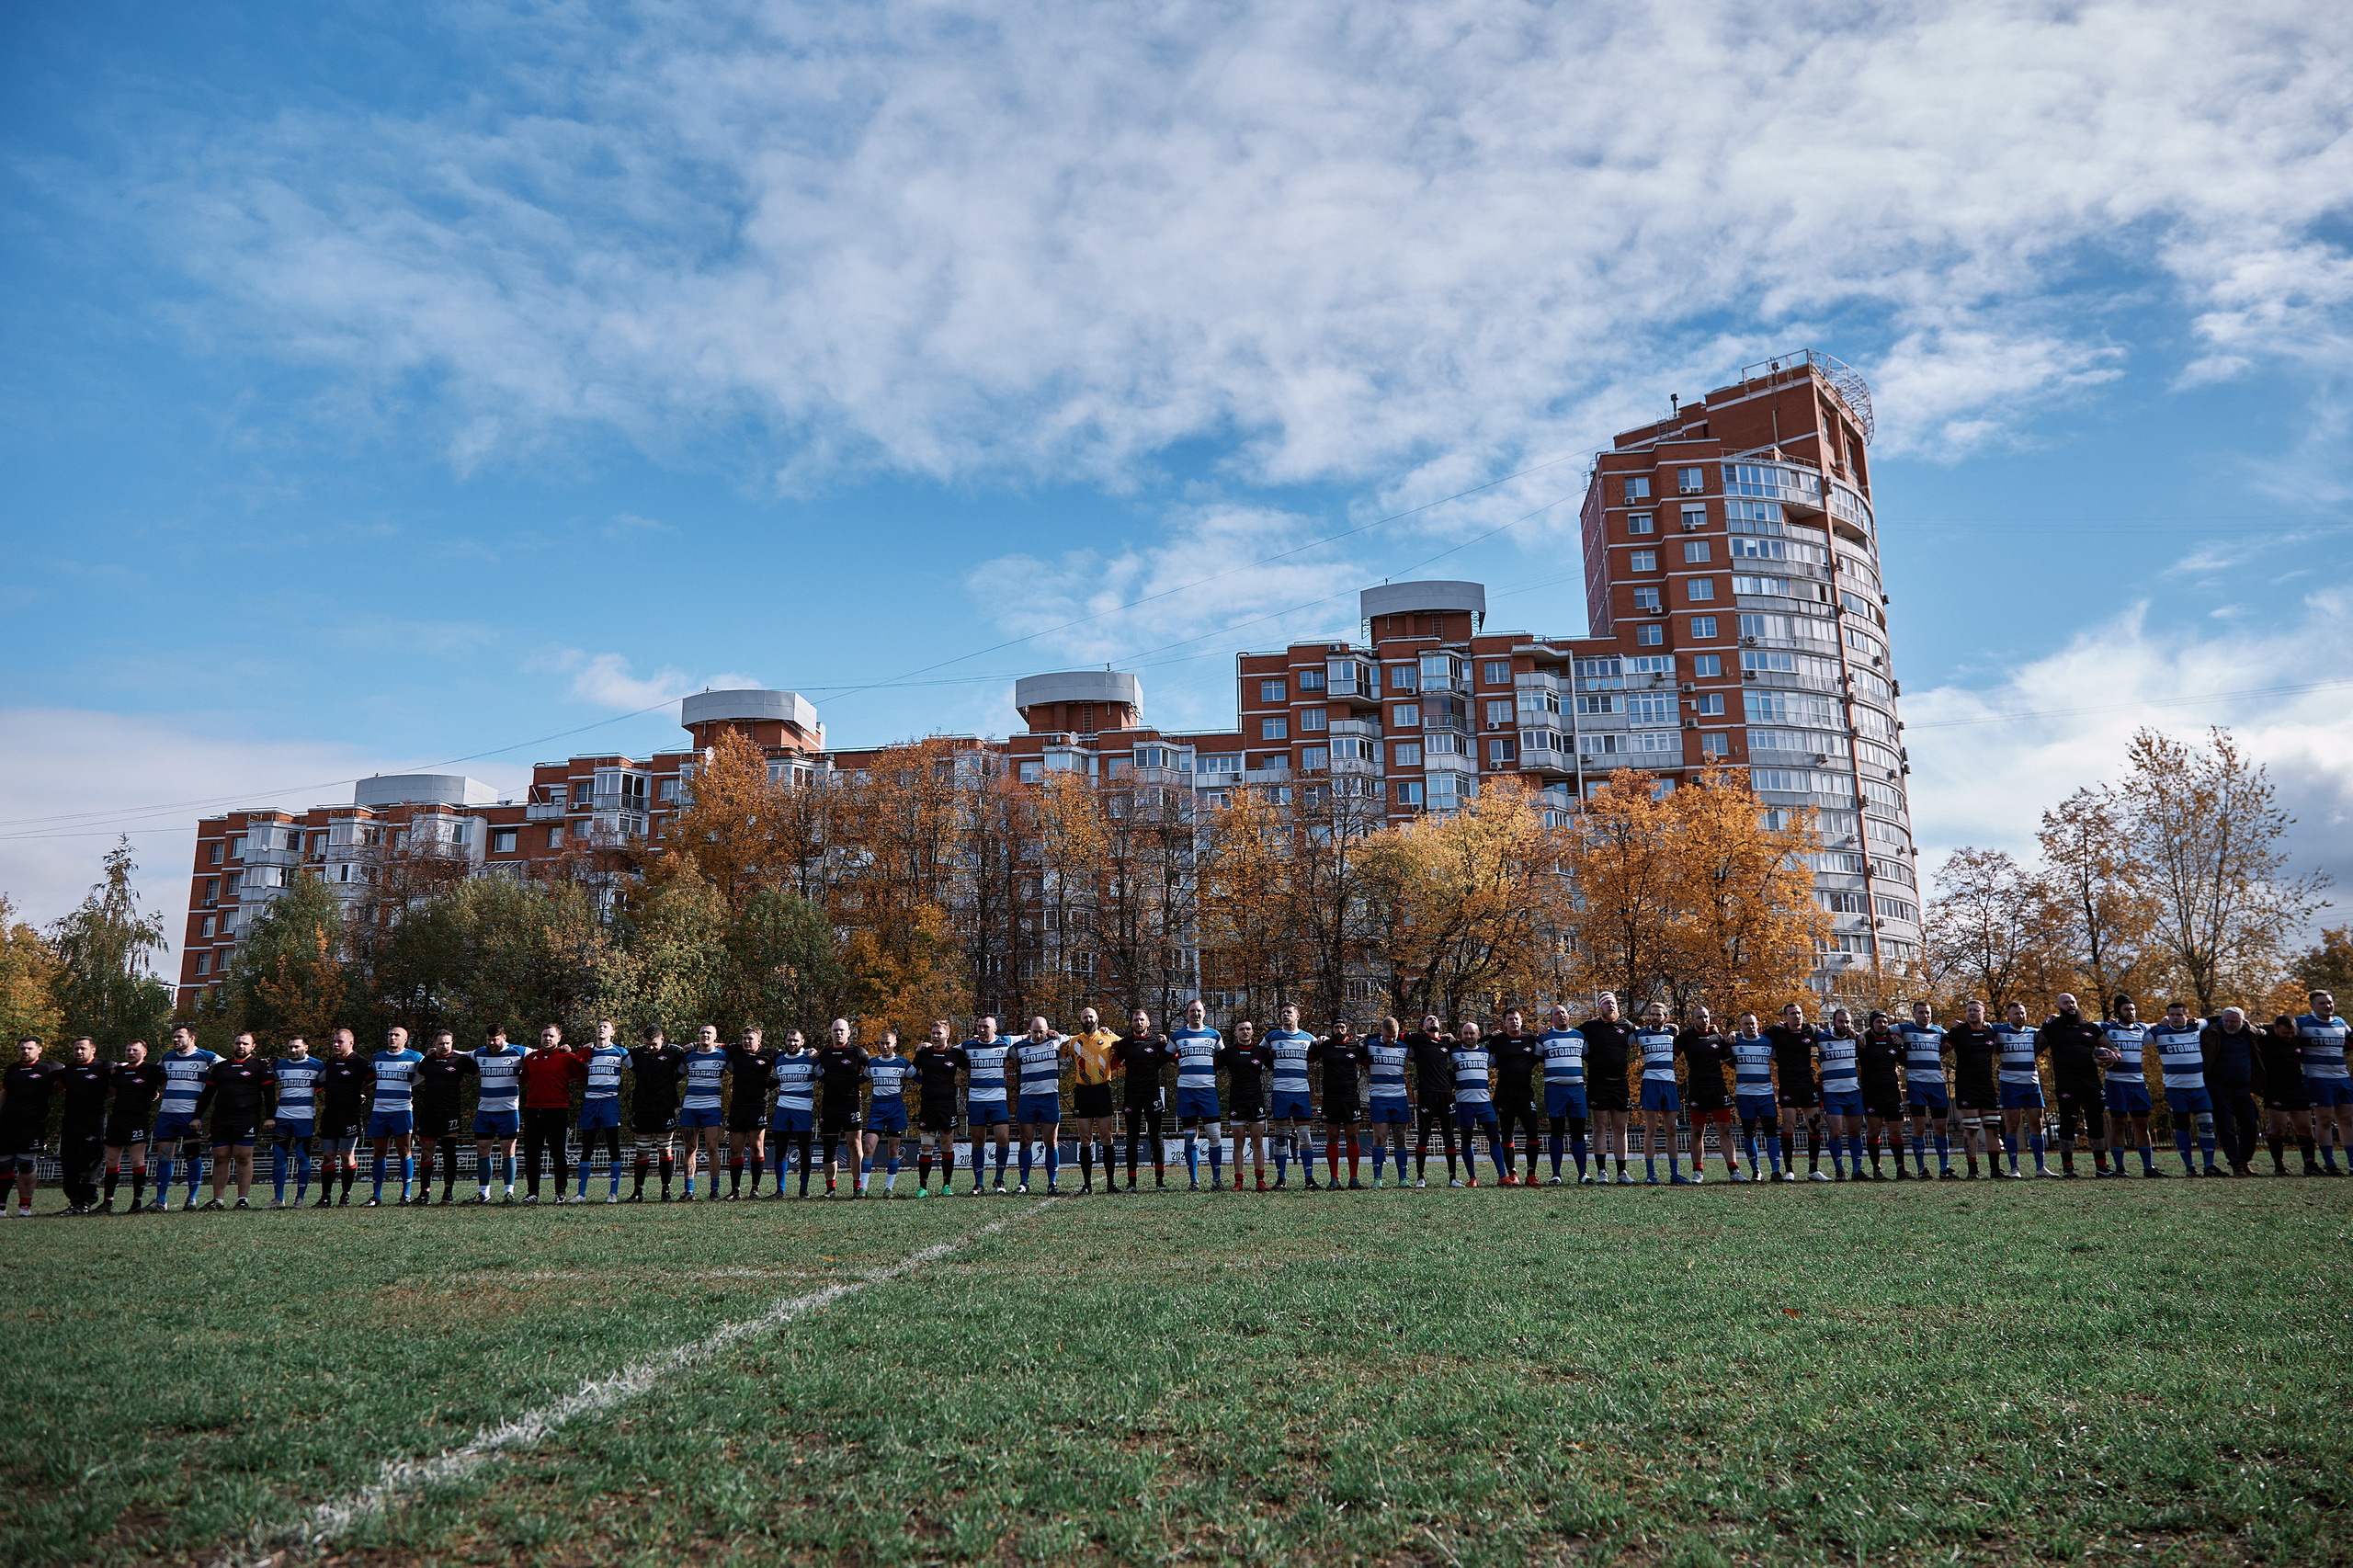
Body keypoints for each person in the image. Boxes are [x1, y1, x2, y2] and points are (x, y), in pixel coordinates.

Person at [2040, 994, 2112, 1178]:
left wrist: (2113, 1056)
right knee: (2067, 1124)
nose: (2070, 1005)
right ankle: (2068, 1167)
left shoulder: (2091, 1027)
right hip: (2067, 1083)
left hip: (2091, 1082)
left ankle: (2101, 1167)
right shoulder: (2052, 1027)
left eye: (2073, 1002)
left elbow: (2113, 1049)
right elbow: (2034, 1048)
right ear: (2058, 1007)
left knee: (2096, 1123)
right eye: (2065, 1002)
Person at [201, 1033, 276, 1210]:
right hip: (221, 1118)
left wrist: (270, 1116)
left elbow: (270, 1094)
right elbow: (207, 1094)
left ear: (253, 1046)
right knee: (220, 1157)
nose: (241, 1046)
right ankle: (218, 1201)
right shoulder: (221, 1067)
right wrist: (197, 1116)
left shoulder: (259, 1066)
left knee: (243, 1157)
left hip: (247, 1117)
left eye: (245, 1043)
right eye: (237, 1043)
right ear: (232, 1045)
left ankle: (243, 1199)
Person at [149, 1025, 220, 1210]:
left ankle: (192, 1199)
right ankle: (161, 1201)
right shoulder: (167, 1057)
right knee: (164, 1157)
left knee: (192, 1156)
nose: (175, 1040)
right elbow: (154, 1075)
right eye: (174, 1036)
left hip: (190, 1115)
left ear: (192, 1038)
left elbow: (229, 1067)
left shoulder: (206, 1056)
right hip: (166, 1114)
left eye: (179, 1036)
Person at [517, 1024, 585, 1204]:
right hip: (533, 1111)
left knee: (559, 1155)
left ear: (559, 1038)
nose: (547, 1038)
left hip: (558, 1111)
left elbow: (584, 1075)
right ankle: (532, 1193)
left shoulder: (567, 1057)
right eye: (544, 1035)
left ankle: (560, 1194)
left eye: (551, 1036)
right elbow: (520, 1081)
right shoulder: (532, 1058)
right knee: (532, 1155)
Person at [2149, 1000, 2218, 1176]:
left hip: (2199, 1088)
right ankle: (2190, 1167)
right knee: (2183, 1127)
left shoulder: (2195, 1027)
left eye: (2179, 1014)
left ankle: (2209, 1166)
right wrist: (2157, 1023)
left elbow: (2213, 1019)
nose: (2175, 1018)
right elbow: (2138, 1037)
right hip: (2176, 1089)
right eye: (2172, 1015)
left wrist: (2198, 1020)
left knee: (2207, 1126)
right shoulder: (2159, 1032)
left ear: (2186, 1016)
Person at [1, 1038, 66, 1217]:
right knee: (4, 1166)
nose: (25, 1051)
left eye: (29, 1048)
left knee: (26, 1164)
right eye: (22, 1048)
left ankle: (24, 1207)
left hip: (33, 1124)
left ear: (40, 1050)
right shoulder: (12, 1069)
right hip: (8, 1124)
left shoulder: (51, 1067)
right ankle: (1, 1207)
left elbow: (63, 1084)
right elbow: (4, 1092)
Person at [412, 1030, 477, 1206]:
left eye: (448, 1043)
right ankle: (424, 1193)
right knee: (426, 1153)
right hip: (429, 1113)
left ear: (453, 1043)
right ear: (435, 1044)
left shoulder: (461, 1060)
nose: (445, 1046)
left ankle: (448, 1192)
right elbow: (415, 1076)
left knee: (449, 1153)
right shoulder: (428, 1061)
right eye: (441, 1043)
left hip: (450, 1112)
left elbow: (481, 1073)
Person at [2196, 1006, 2261, 1177]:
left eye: (2234, 1021)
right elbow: (2204, 1022)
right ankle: (2236, 1163)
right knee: (2226, 1127)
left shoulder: (2250, 1033)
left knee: (2250, 1125)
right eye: (2227, 1021)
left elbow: (2268, 1027)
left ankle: (2244, 1159)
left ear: (2243, 1022)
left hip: (2243, 1088)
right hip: (2218, 1087)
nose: (2230, 1024)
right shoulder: (2212, 1032)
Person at [363, 1026, 425, 1207]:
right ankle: (377, 1195)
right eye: (390, 1034)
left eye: (397, 1035)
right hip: (379, 1110)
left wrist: (408, 1087)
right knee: (379, 1152)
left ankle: (405, 1195)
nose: (392, 1038)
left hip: (402, 1110)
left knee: (403, 1150)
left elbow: (423, 1074)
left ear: (405, 1039)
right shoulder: (378, 1057)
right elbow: (371, 1079)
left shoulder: (415, 1057)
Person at [100, 1039, 164, 1213]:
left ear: (144, 1053)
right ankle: (108, 1203)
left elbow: (166, 1086)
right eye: (128, 1050)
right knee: (111, 1161)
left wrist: (156, 1095)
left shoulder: (152, 1070)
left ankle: (136, 1202)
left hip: (138, 1120)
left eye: (135, 1050)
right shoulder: (118, 1072)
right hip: (117, 1119)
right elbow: (109, 1091)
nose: (130, 1053)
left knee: (137, 1160)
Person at [1765, 1003, 1825, 1182]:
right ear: (1785, 1017)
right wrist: (1733, 1034)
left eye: (1799, 1013)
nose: (1797, 1016)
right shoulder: (1776, 1032)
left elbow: (1828, 1035)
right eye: (1792, 1013)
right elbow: (1752, 1035)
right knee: (1789, 1124)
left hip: (1807, 1082)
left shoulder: (1810, 1030)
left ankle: (1813, 1170)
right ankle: (1789, 1170)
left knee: (1815, 1125)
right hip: (1788, 1084)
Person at [1579, 994, 1637, 1185]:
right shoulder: (1590, 1027)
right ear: (1600, 1008)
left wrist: (1671, 1028)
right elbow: (1568, 1034)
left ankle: (1622, 1172)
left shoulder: (1627, 1026)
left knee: (1620, 1128)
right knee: (1600, 1127)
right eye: (1606, 1003)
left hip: (1620, 1083)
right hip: (1598, 1083)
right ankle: (1602, 1171)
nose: (1611, 1005)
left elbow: (1648, 1033)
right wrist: (1546, 1030)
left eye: (1613, 1002)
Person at [1677, 1006, 1737, 1182]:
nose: (1704, 1020)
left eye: (1706, 1017)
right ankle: (1698, 1171)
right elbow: (1669, 1054)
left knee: (1725, 1130)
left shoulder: (1717, 1038)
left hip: (1718, 1088)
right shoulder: (1685, 1038)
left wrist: (1735, 1035)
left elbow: (1732, 1062)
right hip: (1697, 1089)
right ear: (1693, 1019)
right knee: (1697, 1131)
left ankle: (1734, 1170)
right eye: (1700, 1017)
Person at [1170, 999, 1225, 1191]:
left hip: (1208, 1092)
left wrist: (1210, 1070)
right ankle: (1194, 1181)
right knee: (1189, 1137)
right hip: (1186, 1092)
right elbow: (1168, 1056)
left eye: (1199, 1011)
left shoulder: (1214, 1035)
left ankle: (1216, 1180)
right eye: (1192, 1011)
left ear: (1204, 1013)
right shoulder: (1177, 1036)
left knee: (1214, 1136)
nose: (1196, 1014)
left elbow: (1223, 1058)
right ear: (1187, 1014)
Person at [55, 1039, 116, 1214]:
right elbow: (57, 1088)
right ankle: (74, 1201)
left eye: (83, 1048)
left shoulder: (104, 1067)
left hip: (94, 1120)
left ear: (93, 1049)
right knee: (69, 1159)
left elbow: (116, 1087)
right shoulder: (67, 1070)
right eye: (76, 1049)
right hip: (71, 1120)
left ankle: (87, 1201)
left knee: (90, 1159)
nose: (79, 1052)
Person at [1010, 1017, 1069, 1195]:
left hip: (1049, 1098)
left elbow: (1076, 1038)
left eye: (1041, 1032)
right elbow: (999, 1048)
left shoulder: (1056, 1041)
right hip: (1028, 1098)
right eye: (1034, 1032)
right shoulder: (1020, 1047)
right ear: (1030, 1031)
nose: (1037, 1036)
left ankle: (1052, 1183)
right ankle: (1023, 1183)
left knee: (1051, 1142)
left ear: (1047, 1030)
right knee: (1025, 1141)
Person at [2099, 996, 2157, 1177]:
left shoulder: (2140, 1028)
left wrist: (2163, 1022)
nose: (2131, 1012)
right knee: (2118, 1124)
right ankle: (2120, 1168)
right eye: (2126, 1009)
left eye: (2132, 1009)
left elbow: (2156, 1024)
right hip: (2116, 1083)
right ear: (2117, 1013)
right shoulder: (2107, 1028)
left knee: (2142, 1125)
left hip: (2138, 1083)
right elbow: (2084, 1025)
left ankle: (2148, 1167)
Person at [625, 1025, 685, 1201]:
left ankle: (665, 1191)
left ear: (662, 1040)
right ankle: (638, 1192)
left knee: (665, 1150)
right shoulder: (637, 1053)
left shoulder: (674, 1052)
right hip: (642, 1108)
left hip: (665, 1108)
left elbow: (695, 1051)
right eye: (647, 1044)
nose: (650, 1047)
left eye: (654, 1044)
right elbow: (615, 1052)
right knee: (641, 1151)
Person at [574, 1020, 631, 1203]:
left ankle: (613, 1193)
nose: (601, 1029)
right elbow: (578, 1066)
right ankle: (581, 1193)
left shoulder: (620, 1052)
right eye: (599, 1026)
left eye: (606, 1026)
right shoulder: (588, 1052)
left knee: (613, 1145)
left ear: (613, 1032)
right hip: (590, 1101)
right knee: (587, 1147)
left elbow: (636, 1066)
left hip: (610, 1101)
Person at [1264, 1005, 1319, 1189]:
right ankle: (1281, 1179)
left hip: (1301, 1093)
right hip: (1281, 1094)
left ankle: (1309, 1179)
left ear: (1297, 1016)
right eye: (1283, 1012)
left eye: (1289, 1012)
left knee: (1305, 1137)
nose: (1285, 1015)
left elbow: (1317, 1054)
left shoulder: (1308, 1038)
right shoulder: (1271, 1037)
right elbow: (1261, 1054)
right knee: (1280, 1137)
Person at [1115, 1010, 1171, 1192]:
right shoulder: (1125, 1044)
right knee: (1132, 1138)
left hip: (1152, 1095)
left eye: (1142, 1020)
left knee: (1156, 1137)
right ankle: (1132, 1183)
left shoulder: (1157, 1042)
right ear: (1131, 1023)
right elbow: (1112, 1063)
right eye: (1135, 1020)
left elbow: (1172, 1057)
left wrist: (1168, 1042)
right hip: (1132, 1095)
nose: (1138, 1022)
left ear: (1148, 1023)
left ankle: (1160, 1182)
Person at [1944, 1002, 2002, 1179]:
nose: (1972, 1013)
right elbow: (1939, 1047)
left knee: (1993, 1129)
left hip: (1986, 1086)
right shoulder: (1957, 1032)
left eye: (1976, 1010)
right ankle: (1973, 1171)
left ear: (1983, 1013)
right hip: (1966, 1086)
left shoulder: (1992, 1030)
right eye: (1969, 1010)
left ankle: (1995, 1170)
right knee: (1971, 1129)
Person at [1898, 1002, 1956, 1180]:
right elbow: (1879, 1029)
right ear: (1914, 1014)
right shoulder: (1904, 1029)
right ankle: (1921, 1169)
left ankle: (1944, 1168)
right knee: (1919, 1127)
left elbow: (1953, 1040)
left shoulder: (1939, 1031)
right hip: (1916, 1085)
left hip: (1937, 1084)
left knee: (1941, 1127)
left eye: (1927, 1012)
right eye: (1921, 1012)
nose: (1925, 1015)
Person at [1993, 1002, 2051, 1178]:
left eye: (2023, 1013)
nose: (2020, 1016)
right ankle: (2014, 1169)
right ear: (2008, 1016)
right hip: (2010, 1085)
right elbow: (1981, 1028)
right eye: (2016, 1013)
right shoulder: (2000, 1030)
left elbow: (2049, 1034)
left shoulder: (2033, 1032)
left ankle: (2041, 1168)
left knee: (2037, 1125)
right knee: (2012, 1125)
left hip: (2032, 1084)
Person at [1068, 1008, 1122, 1195]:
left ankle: (1110, 1184)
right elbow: (1057, 1047)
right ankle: (1087, 1185)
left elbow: (1126, 1046)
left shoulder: (1108, 1037)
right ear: (1080, 1020)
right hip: (1082, 1092)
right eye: (1085, 1017)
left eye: (1091, 1016)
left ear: (1097, 1019)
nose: (1088, 1020)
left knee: (1107, 1138)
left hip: (1102, 1090)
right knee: (1085, 1139)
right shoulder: (1075, 1041)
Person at [472, 1025, 529, 1203]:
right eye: (488, 1039)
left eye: (495, 1040)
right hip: (485, 1111)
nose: (491, 1043)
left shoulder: (519, 1051)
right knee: (482, 1150)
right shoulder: (479, 1053)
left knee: (508, 1151)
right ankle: (484, 1193)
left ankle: (509, 1192)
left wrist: (564, 1049)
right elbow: (456, 1054)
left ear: (504, 1037)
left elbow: (543, 1053)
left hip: (508, 1111)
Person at [2296, 990, 2350, 1176]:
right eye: (2322, 1003)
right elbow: (2281, 1032)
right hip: (2317, 1077)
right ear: (2312, 1006)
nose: (2327, 1006)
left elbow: (2349, 1042)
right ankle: (2330, 1164)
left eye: (2329, 1002)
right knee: (2325, 1120)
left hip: (2342, 1076)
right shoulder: (2302, 1022)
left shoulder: (2341, 1023)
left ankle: (2352, 1163)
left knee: (2347, 1120)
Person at [1310, 1018, 1369, 1188]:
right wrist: (1316, 1040)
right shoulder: (1325, 1046)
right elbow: (1308, 1057)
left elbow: (1369, 1064)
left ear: (1347, 1029)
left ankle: (1354, 1179)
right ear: (1331, 1029)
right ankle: (1334, 1179)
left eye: (1342, 1027)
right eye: (1336, 1027)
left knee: (1352, 1137)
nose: (1339, 1030)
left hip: (1351, 1098)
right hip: (1330, 1098)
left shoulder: (1355, 1046)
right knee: (1332, 1137)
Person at [960, 1017, 1016, 1194]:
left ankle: (999, 1179)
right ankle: (979, 1183)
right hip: (976, 1100)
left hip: (998, 1100)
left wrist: (1050, 1033)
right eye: (979, 1026)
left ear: (995, 1028)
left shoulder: (1005, 1042)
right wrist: (928, 1046)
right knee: (977, 1142)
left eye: (986, 1026)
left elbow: (1027, 1036)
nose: (982, 1030)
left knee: (1003, 1139)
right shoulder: (968, 1045)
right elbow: (946, 1050)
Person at [1631, 1002, 1686, 1186]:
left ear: (1666, 1017)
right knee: (1651, 1129)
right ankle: (1650, 1174)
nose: (1654, 1017)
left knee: (1671, 1130)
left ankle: (1674, 1174)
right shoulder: (1641, 1034)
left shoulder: (1673, 1034)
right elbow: (1619, 1037)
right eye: (1652, 1014)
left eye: (1658, 1015)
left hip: (1669, 1083)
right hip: (1650, 1084)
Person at [676, 1025, 733, 1199]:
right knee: (689, 1148)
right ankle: (689, 1191)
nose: (705, 1035)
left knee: (712, 1148)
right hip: (690, 1108)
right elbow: (677, 1075)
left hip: (712, 1107)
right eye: (702, 1033)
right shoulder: (689, 1057)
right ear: (698, 1036)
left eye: (709, 1033)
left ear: (716, 1036)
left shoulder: (723, 1055)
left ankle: (714, 1190)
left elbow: (737, 1070)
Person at [268, 1035, 324, 1210]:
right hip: (282, 1117)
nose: (293, 1050)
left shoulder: (317, 1065)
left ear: (306, 1048)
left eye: (297, 1047)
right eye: (290, 1047)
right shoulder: (280, 1065)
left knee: (302, 1157)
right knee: (278, 1157)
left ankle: (300, 1199)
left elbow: (329, 1084)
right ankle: (278, 1199)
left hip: (304, 1117)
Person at [1489, 1009, 1542, 1187]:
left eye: (1516, 1019)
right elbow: (1479, 1050)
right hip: (1505, 1094)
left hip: (1525, 1093)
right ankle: (1512, 1173)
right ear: (1504, 1023)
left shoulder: (1530, 1040)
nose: (1514, 1022)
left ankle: (1531, 1174)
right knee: (1507, 1133)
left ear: (1521, 1021)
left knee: (1533, 1132)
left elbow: (1540, 1054)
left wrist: (1544, 1031)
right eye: (1510, 1019)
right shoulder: (1497, 1041)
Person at [316, 1030, 370, 1206]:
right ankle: (325, 1196)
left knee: (347, 1156)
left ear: (351, 1042)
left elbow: (376, 1085)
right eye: (334, 1042)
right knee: (328, 1156)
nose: (335, 1045)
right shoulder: (330, 1063)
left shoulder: (360, 1063)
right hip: (330, 1115)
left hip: (350, 1116)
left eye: (340, 1042)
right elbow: (317, 1084)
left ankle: (345, 1195)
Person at [911, 1021, 964, 1198]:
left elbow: (971, 1067)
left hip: (947, 1105)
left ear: (947, 1035)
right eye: (933, 1033)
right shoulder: (923, 1054)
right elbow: (911, 1072)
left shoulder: (955, 1054)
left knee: (947, 1145)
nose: (934, 1036)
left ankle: (946, 1186)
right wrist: (924, 1083)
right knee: (926, 1146)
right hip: (928, 1105)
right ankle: (923, 1188)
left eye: (938, 1033)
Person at [1537, 1006, 1588, 1184]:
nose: (1561, 1016)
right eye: (1557, 1013)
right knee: (1556, 1131)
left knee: (1578, 1132)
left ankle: (1583, 1174)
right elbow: (1535, 1058)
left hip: (1577, 1089)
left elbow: (1588, 1055)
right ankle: (1556, 1174)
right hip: (1555, 1089)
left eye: (1564, 1013)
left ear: (1569, 1016)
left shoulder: (1579, 1036)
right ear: (1551, 1018)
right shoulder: (1544, 1037)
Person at [1405, 1014, 1459, 1187]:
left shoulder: (1447, 1042)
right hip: (1427, 1094)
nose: (1433, 1020)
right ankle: (1420, 1177)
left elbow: (1469, 1041)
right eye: (1429, 1019)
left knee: (1449, 1136)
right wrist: (1367, 1037)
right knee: (1424, 1134)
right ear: (1423, 1027)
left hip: (1445, 1094)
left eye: (1435, 1018)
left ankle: (1452, 1178)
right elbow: (1390, 1033)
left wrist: (1454, 1039)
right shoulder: (1418, 1039)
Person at [1727, 1012, 1781, 1182]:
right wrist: (1731, 1034)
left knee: (1771, 1133)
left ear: (1757, 1024)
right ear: (1740, 1026)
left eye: (1753, 1023)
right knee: (1749, 1134)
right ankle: (1756, 1171)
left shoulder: (1768, 1042)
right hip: (1745, 1095)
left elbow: (1782, 1060)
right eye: (1746, 1024)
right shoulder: (1734, 1043)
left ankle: (1775, 1171)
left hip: (1765, 1094)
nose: (1750, 1027)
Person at [1449, 1021, 1504, 1187]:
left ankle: (1503, 1176)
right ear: (1461, 1036)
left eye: (1472, 1033)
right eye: (1465, 1033)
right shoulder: (1454, 1053)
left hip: (1484, 1102)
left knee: (1494, 1138)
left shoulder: (1485, 1053)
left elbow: (1501, 1062)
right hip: (1464, 1103)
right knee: (1466, 1140)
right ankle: (1472, 1177)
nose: (1468, 1036)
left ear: (1478, 1035)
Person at [1219, 1017, 1270, 1191]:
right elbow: (1211, 1066)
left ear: (1252, 1032)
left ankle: (1260, 1180)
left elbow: (1277, 1066)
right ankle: (1238, 1181)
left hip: (1256, 1101)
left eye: (1248, 1029)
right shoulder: (1228, 1053)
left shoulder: (1261, 1051)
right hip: (1237, 1101)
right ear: (1235, 1033)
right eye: (1241, 1029)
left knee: (1258, 1141)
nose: (1245, 1032)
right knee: (1238, 1142)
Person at [723, 1026, 774, 1199]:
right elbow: (715, 1045)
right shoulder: (735, 1050)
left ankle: (755, 1189)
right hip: (738, 1107)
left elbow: (792, 1055)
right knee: (735, 1149)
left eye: (749, 1038)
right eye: (744, 1038)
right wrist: (694, 1044)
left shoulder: (770, 1054)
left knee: (757, 1147)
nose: (746, 1041)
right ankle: (735, 1190)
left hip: (758, 1106)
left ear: (759, 1041)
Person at [862, 1028, 914, 1197]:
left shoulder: (903, 1063)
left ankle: (888, 1189)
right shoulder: (872, 1063)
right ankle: (863, 1188)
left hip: (895, 1107)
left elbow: (916, 1077)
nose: (884, 1047)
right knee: (868, 1146)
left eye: (888, 1043)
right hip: (877, 1107)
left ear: (895, 1044)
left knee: (893, 1149)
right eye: (881, 1043)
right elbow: (862, 1078)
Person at [1817, 1008, 1866, 1181]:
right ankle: (1839, 1170)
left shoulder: (1854, 1039)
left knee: (1855, 1132)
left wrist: (1861, 1033)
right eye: (1841, 1021)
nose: (1845, 1025)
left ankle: (1857, 1170)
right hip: (1832, 1093)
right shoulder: (1822, 1038)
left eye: (1848, 1022)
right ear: (1833, 1022)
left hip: (1853, 1093)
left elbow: (1873, 1031)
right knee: (1836, 1133)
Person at [769, 1029, 821, 1197]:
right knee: (780, 1150)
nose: (792, 1043)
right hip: (782, 1109)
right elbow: (773, 1082)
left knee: (804, 1150)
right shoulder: (779, 1061)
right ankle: (780, 1190)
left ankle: (803, 1190)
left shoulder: (811, 1059)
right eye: (789, 1040)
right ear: (784, 1041)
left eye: (796, 1040)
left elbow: (826, 1077)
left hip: (803, 1110)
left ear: (803, 1041)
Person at [1365, 1017, 1414, 1186]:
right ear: (1381, 1032)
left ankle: (1403, 1179)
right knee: (1380, 1137)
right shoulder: (1370, 1045)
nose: (1391, 1040)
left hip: (1399, 1098)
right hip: (1379, 1098)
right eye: (1387, 1037)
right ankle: (1377, 1178)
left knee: (1400, 1137)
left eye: (1394, 1037)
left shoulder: (1405, 1047)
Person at [1857, 1012, 1904, 1181]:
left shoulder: (1895, 1042)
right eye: (1878, 1022)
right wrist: (1863, 1033)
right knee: (1874, 1131)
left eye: (1885, 1022)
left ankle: (1901, 1169)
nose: (1883, 1024)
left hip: (1892, 1093)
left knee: (1896, 1133)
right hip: (1872, 1093)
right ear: (1872, 1024)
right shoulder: (1863, 1042)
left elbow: (1906, 1060)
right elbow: (1850, 1033)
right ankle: (1877, 1169)